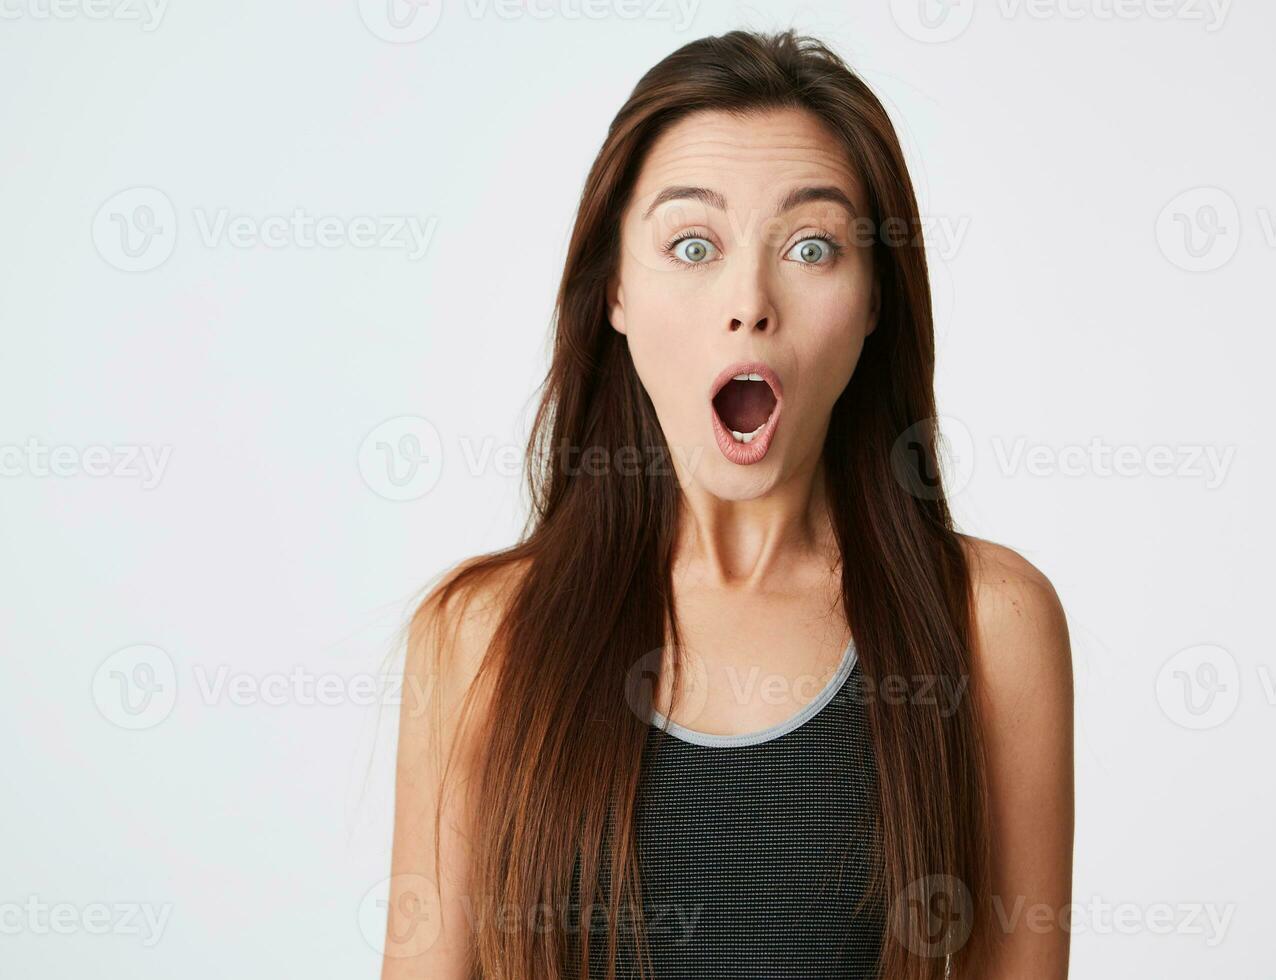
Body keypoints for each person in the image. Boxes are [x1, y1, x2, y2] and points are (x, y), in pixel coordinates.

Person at [381, 29, 1073, 980]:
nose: (749, 301)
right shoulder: (476, 635)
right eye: (693, 244)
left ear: (875, 300)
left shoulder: (987, 623)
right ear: (615, 289)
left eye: (812, 246)